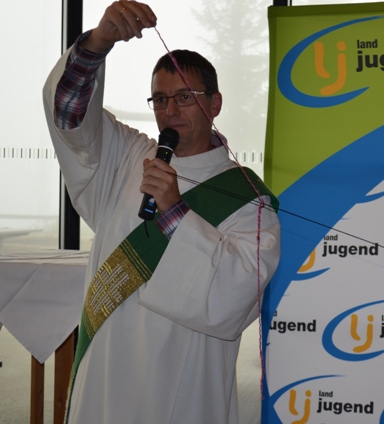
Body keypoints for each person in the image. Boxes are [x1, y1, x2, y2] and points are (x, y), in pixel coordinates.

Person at [42, 1, 280, 423]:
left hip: (184, 393)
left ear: (215, 103)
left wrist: (174, 211)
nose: (170, 111)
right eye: (160, 99)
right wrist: (98, 42)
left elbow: (234, 299)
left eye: (185, 97)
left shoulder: (249, 201)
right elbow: (70, 119)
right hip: (107, 376)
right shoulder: (128, 155)